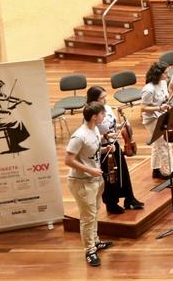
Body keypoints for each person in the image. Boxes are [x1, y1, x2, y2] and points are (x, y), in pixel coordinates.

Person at [65, 102, 113, 267]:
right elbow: (68, 160)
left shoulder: (95, 130)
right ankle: (89, 250)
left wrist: (105, 150)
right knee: (87, 217)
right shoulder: (79, 136)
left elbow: (91, 153)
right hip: (81, 182)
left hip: (95, 179)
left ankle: (95, 241)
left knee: (94, 213)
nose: (104, 116)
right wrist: (89, 170)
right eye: (102, 114)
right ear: (94, 117)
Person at [85, 87, 143, 214]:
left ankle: (129, 198)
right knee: (110, 177)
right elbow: (90, 136)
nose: (105, 100)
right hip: (103, 148)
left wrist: (121, 125)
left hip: (114, 144)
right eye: (102, 98)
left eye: (105, 97)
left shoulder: (107, 108)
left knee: (123, 172)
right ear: (94, 99)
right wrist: (106, 137)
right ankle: (111, 204)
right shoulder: (90, 115)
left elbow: (112, 124)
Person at [140, 62, 173, 181]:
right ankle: (172, 170)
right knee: (164, 144)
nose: (168, 75)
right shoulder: (149, 89)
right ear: (159, 74)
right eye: (166, 73)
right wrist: (159, 108)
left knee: (157, 144)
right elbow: (143, 108)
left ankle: (156, 170)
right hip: (152, 119)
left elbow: (165, 98)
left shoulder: (162, 83)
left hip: (162, 116)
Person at [0, 79, 30, 153]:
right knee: (14, 122)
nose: (2, 90)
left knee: (14, 121)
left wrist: (20, 101)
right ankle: (14, 145)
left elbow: (8, 101)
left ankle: (14, 145)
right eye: (1, 88)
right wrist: (10, 109)